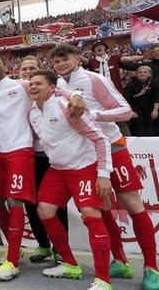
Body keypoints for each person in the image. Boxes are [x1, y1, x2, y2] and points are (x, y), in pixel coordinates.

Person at [51, 44, 159, 290]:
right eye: (56, 61)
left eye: (64, 59)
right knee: (101, 208)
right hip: (86, 154)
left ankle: (151, 267)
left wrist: (93, 115)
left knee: (133, 203)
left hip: (112, 145)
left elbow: (125, 111)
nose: (60, 64)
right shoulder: (58, 86)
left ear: (77, 58)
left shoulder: (94, 79)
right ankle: (120, 260)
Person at [0, 55, 84, 281]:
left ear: (5, 67)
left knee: (16, 202)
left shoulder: (21, 85)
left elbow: (56, 90)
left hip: (20, 150)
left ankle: (13, 262)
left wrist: (77, 95)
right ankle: (16, 248)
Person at [27, 69, 114, 290]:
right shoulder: (32, 113)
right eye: (31, 83)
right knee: (44, 212)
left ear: (53, 88)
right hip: (57, 170)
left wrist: (103, 174)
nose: (33, 86)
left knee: (91, 215)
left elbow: (100, 138)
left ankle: (103, 279)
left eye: (39, 83)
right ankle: (70, 264)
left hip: (83, 167)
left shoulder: (66, 107)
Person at [19, 56, 68, 263]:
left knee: (56, 205)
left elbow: (68, 93)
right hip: (25, 155)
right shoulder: (17, 91)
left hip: (49, 157)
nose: (29, 72)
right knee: (31, 203)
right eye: (25, 69)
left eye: (33, 68)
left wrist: (75, 96)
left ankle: (60, 248)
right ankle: (43, 245)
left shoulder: (57, 93)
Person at [123, 66, 159, 137]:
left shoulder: (154, 83)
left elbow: (157, 97)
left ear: (149, 74)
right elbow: (126, 99)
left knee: (150, 127)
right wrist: (131, 111)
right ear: (136, 74)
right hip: (136, 109)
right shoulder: (131, 84)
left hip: (150, 108)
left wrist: (155, 110)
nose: (142, 74)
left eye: (145, 72)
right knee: (138, 127)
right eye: (140, 72)